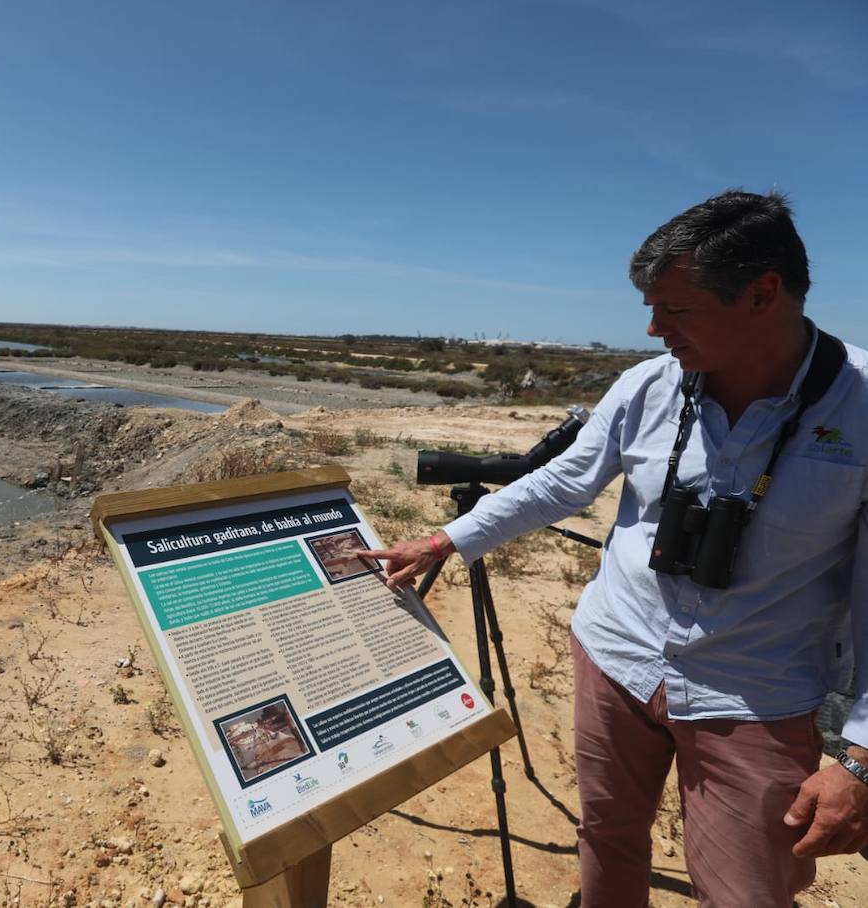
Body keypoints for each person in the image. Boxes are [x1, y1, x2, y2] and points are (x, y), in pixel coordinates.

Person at [359, 190, 868, 907]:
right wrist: (449, 538)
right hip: (616, 656)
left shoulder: (861, 406)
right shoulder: (649, 385)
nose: (656, 329)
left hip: (754, 692)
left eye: (677, 310)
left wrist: (859, 757)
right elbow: (563, 481)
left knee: (749, 887)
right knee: (606, 834)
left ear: (763, 294)